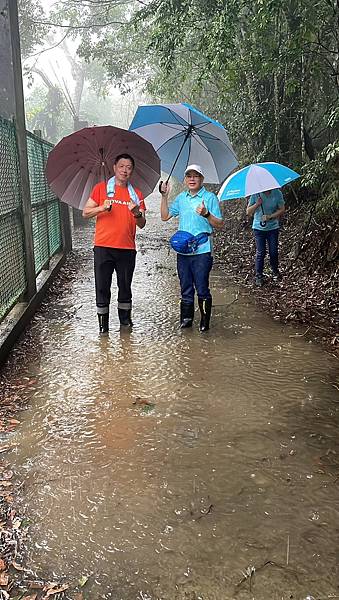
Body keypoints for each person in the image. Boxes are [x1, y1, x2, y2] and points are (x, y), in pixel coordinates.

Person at [83, 154, 146, 333]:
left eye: (129, 167)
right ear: (114, 167)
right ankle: (103, 327)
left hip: (126, 248)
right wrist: (102, 207)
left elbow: (142, 224)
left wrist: (136, 213)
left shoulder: (137, 194)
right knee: (102, 286)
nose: (125, 170)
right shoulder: (101, 189)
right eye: (122, 166)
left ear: (132, 171)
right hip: (103, 246)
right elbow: (85, 212)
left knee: (125, 286)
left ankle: (125, 323)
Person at [160, 164, 223, 331]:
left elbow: (220, 224)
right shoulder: (181, 198)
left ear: (202, 179)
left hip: (202, 250)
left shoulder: (210, 198)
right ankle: (186, 320)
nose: (192, 179)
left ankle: (204, 323)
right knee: (185, 286)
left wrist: (206, 214)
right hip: (183, 251)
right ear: (185, 179)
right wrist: (164, 196)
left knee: (202, 286)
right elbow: (165, 216)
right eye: (189, 176)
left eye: (196, 176)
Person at [246, 188, 285, 286]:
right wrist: (257, 204)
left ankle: (275, 270)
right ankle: (259, 275)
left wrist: (270, 216)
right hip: (259, 228)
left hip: (273, 227)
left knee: (273, 251)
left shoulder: (277, 193)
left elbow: (282, 209)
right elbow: (248, 211)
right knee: (261, 252)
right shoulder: (255, 194)